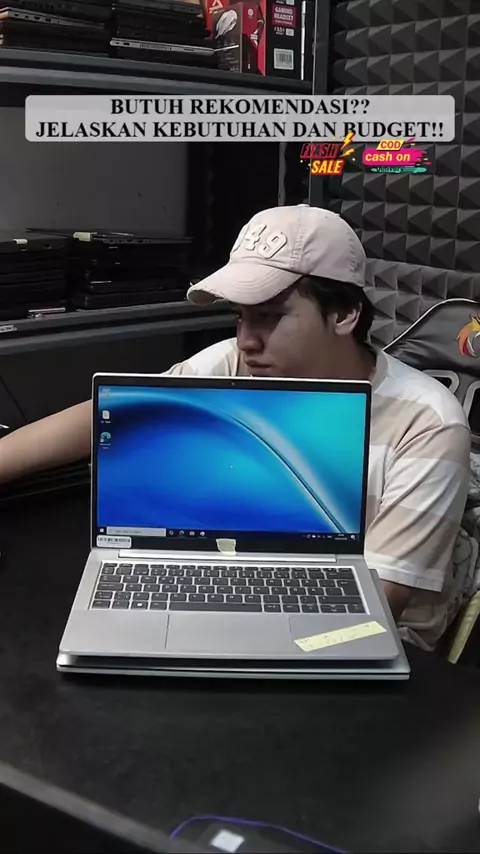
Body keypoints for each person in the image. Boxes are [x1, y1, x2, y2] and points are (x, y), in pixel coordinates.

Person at [0, 205, 471, 650]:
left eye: (269, 317)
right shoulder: (234, 364)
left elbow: (377, 604)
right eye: (240, 316)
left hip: (366, 633)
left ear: (344, 314)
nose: (246, 340)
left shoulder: (427, 422)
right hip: (235, 571)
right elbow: (118, 415)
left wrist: (233, 640)